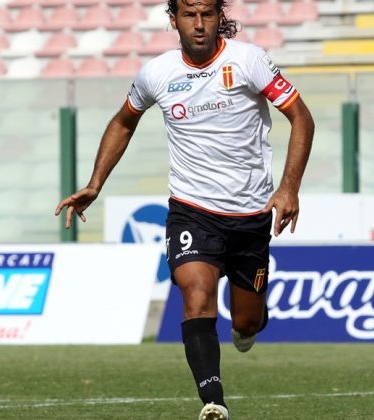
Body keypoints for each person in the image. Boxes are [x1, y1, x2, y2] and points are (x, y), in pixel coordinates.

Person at [55, 0, 314, 417]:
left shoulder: (248, 61)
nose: (199, 24)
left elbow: (301, 117)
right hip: (192, 209)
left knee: (247, 322)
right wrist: (95, 183)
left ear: (219, 17)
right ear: (173, 19)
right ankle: (214, 401)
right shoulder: (157, 73)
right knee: (196, 295)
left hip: (250, 215)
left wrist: (289, 188)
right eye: (189, 14)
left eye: (207, 14)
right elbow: (123, 121)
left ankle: (248, 324)